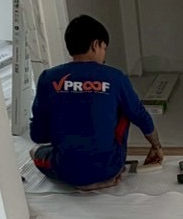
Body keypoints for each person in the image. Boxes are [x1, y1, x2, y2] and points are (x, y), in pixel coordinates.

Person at [29, 14, 163, 191]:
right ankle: (102, 176)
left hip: (66, 170)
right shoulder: (115, 77)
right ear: (95, 45)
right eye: (104, 48)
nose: (104, 55)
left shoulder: (48, 78)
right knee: (127, 108)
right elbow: (140, 115)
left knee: (35, 152)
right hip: (109, 167)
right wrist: (156, 146)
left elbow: (38, 136)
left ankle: (81, 178)